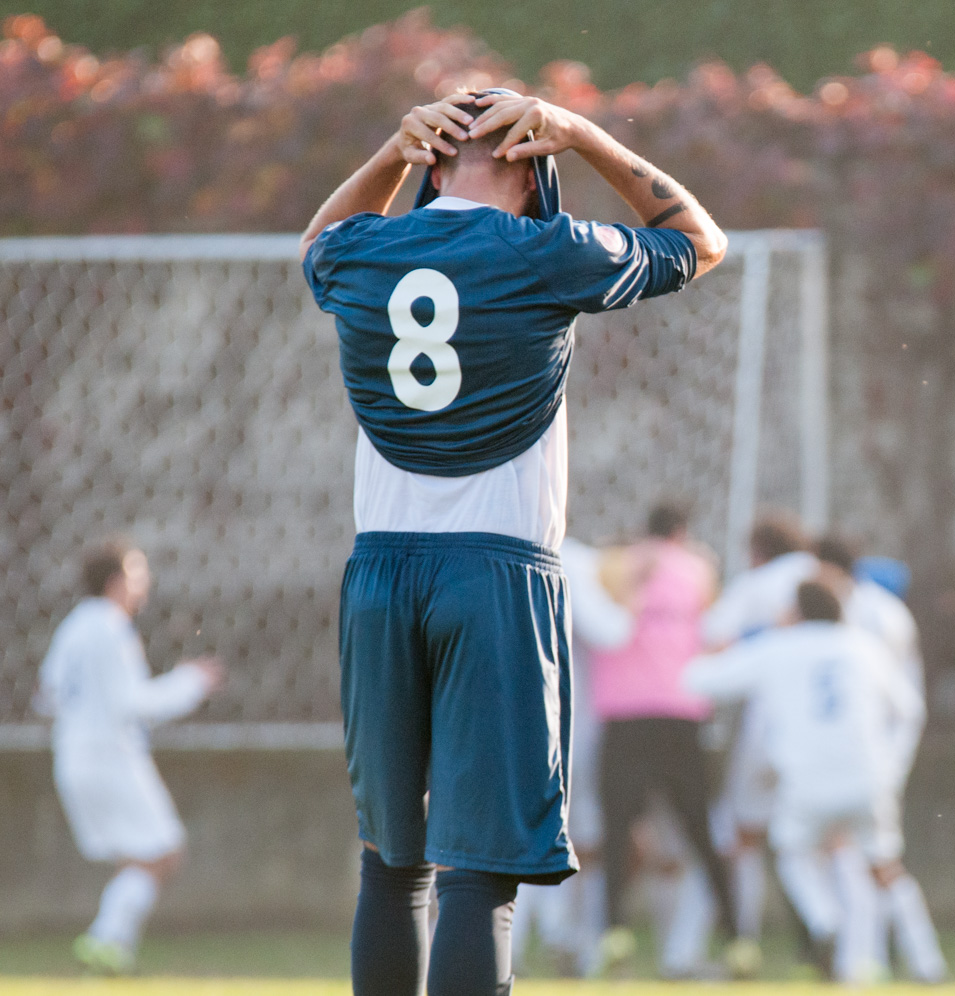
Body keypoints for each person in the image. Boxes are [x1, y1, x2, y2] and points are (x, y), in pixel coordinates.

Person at [299, 86, 727, 996]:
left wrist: (390, 153)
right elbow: (699, 239)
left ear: (429, 165)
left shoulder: (363, 250)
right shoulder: (547, 252)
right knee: (480, 872)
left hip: (379, 575)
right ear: (535, 171)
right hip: (495, 573)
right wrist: (585, 134)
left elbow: (314, 244)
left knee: (391, 864)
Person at [683, 580, 923, 984]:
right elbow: (909, 710)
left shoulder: (780, 646)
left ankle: (824, 921)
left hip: (807, 782)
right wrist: (892, 767)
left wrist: (715, 648)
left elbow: (700, 681)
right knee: (882, 865)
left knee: (792, 854)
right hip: (869, 780)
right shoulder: (863, 646)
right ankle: (926, 964)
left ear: (797, 611)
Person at [33, 536, 223, 974]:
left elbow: (47, 695)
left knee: (137, 856)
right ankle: (105, 939)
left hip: (72, 758)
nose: (145, 582)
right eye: (138, 572)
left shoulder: (73, 626)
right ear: (116, 581)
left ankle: (112, 946)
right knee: (165, 852)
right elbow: (135, 703)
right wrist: (190, 682)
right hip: (111, 757)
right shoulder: (111, 626)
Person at [586, 502, 759, 977]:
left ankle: (613, 935)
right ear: (682, 532)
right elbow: (715, 634)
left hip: (624, 715)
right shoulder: (699, 568)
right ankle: (738, 939)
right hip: (681, 714)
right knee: (701, 833)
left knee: (617, 833)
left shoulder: (616, 564)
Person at [815, 537, 947, 983]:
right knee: (859, 860)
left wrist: (886, 765)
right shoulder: (873, 608)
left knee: (873, 861)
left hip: (872, 757)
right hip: (868, 756)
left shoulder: (870, 614)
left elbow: (891, 701)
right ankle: (887, 962)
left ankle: (908, 962)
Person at [511, 538, 631, 976]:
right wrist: (636, 592)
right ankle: (570, 941)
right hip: (570, 724)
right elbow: (612, 630)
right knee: (580, 838)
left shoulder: (493, 551)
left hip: (518, 717)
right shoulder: (574, 561)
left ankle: (525, 944)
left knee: (530, 832)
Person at [699, 512, 816, 943]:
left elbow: (713, 635)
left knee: (741, 838)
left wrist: (754, 637)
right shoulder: (825, 578)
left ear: (758, 551)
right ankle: (846, 951)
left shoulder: (758, 583)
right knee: (829, 844)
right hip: (822, 733)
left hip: (766, 725)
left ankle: (742, 942)